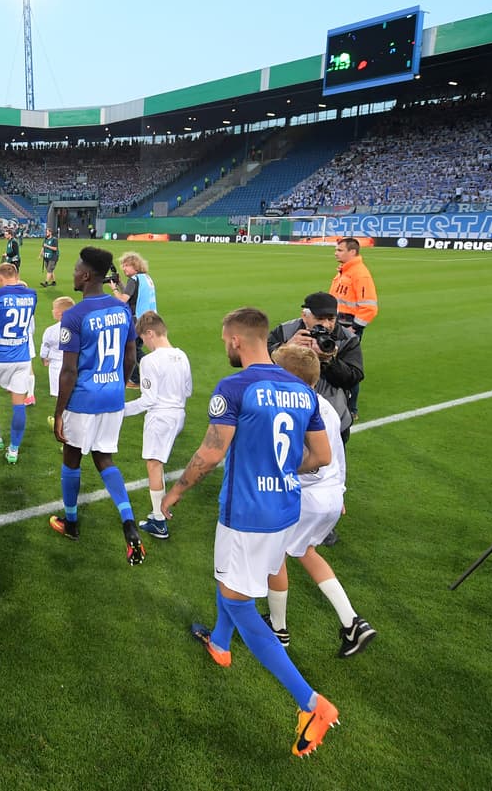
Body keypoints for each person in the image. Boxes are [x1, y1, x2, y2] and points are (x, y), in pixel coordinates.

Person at [160, 307, 339, 758]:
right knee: (232, 582)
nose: (225, 347)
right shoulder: (301, 390)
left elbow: (211, 452)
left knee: (240, 602)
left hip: (247, 515)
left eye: (225, 340)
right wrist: (278, 468)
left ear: (237, 340)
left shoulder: (235, 386)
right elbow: (320, 456)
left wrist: (176, 491)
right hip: (283, 509)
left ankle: (311, 703)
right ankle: (219, 644)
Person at [265, 345, 377, 657]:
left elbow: (306, 459)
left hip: (306, 496)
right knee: (306, 552)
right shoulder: (325, 406)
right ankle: (353, 622)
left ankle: (278, 628)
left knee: (275, 557)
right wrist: (339, 491)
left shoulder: (294, 409)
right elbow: (337, 454)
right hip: (330, 495)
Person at [49, 247, 144, 566]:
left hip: (84, 399)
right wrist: (117, 381)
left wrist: (60, 412)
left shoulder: (74, 315)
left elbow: (69, 371)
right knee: (105, 459)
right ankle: (128, 522)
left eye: (77, 269)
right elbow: (131, 354)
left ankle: (71, 522)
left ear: (87, 275)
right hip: (113, 396)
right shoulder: (122, 309)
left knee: (72, 458)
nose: (73, 273)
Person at [122, 311, 193, 540]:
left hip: (160, 417)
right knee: (158, 463)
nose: (144, 343)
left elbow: (148, 399)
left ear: (150, 333)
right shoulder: (182, 355)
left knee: (153, 464)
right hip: (178, 414)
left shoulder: (150, 361)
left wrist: (120, 411)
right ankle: (157, 514)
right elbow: (188, 390)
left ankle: (159, 521)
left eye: (143, 338)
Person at [266, 292, 363, 444]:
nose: (325, 325)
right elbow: (260, 366)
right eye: (319, 319)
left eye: (331, 319)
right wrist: (286, 348)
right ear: (304, 316)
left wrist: (329, 361)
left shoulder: (347, 339)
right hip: (287, 414)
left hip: (331, 417)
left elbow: (353, 378)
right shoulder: (285, 332)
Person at [0, 263, 38, 464]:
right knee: (18, 404)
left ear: (0, 278)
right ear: (17, 275)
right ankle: (14, 450)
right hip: (22, 358)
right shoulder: (32, 295)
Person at [329, 237, 377, 419]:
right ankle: (337, 402)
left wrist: (354, 329)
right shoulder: (344, 272)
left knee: (347, 367)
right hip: (337, 325)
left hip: (348, 328)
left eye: (340, 250)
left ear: (352, 252)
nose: (336, 253)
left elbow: (370, 306)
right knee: (333, 363)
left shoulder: (359, 274)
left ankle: (351, 408)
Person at [110, 251, 157, 386]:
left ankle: (138, 377)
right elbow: (131, 293)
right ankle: (149, 371)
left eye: (126, 266)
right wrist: (120, 283)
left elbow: (123, 300)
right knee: (136, 348)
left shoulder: (134, 279)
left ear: (135, 266)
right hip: (150, 318)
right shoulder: (145, 278)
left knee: (129, 349)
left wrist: (114, 289)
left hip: (138, 320)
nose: (123, 268)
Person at [38, 296, 74, 425]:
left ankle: (63, 421)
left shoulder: (51, 330)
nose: (52, 311)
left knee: (61, 395)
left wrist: (44, 359)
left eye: (54, 309)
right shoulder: (77, 328)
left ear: (59, 312)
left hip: (56, 366)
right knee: (71, 393)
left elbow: (45, 347)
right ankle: (67, 419)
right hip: (73, 365)